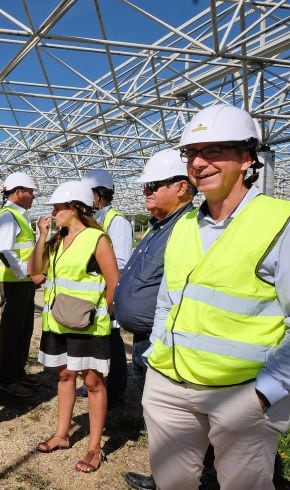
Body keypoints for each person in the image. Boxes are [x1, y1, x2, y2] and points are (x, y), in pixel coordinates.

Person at [143, 103, 290, 489]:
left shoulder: (280, 221)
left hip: (240, 393)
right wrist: (156, 354)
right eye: (192, 153)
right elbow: (167, 299)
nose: (199, 163)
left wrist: (266, 392)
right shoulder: (186, 223)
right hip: (169, 386)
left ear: (246, 158)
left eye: (214, 151)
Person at [112, 148, 196, 490]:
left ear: (180, 187)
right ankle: (167, 475)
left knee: (175, 416)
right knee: (159, 413)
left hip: (166, 341)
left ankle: (186, 476)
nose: (146, 191)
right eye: (146, 186)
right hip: (146, 337)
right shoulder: (160, 226)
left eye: (153, 185)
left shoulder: (187, 227)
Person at [31, 180, 120, 473]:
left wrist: (101, 314)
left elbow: (113, 282)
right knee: (65, 375)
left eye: (58, 208)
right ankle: (61, 435)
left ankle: (94, 448)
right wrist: (42, 236)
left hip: (88, 325)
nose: (53, 213)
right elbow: (35, 272)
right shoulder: (57, 238)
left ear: (76, 208)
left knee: (93, 382)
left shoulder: (97, 239)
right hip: (58, 320)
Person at [81, 168, 133, 409]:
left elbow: (120, 262)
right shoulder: (95, 219)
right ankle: (97, 385)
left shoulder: (117, 221)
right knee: (96, 341)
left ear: (98, 194)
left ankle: (116, 391)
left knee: (112, 340)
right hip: (91, 293)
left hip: (106, 292)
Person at [0, 172, 41, 397]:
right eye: (30, 192)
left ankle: (17, 373)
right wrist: (27, 274)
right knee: (13, 331)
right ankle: (7, 378)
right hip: (14, 282)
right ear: (19, 192)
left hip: (21, 282)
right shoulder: (8, 216)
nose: (33, 196)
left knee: (24, 329)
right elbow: (5, 252)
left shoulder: (20, 216)